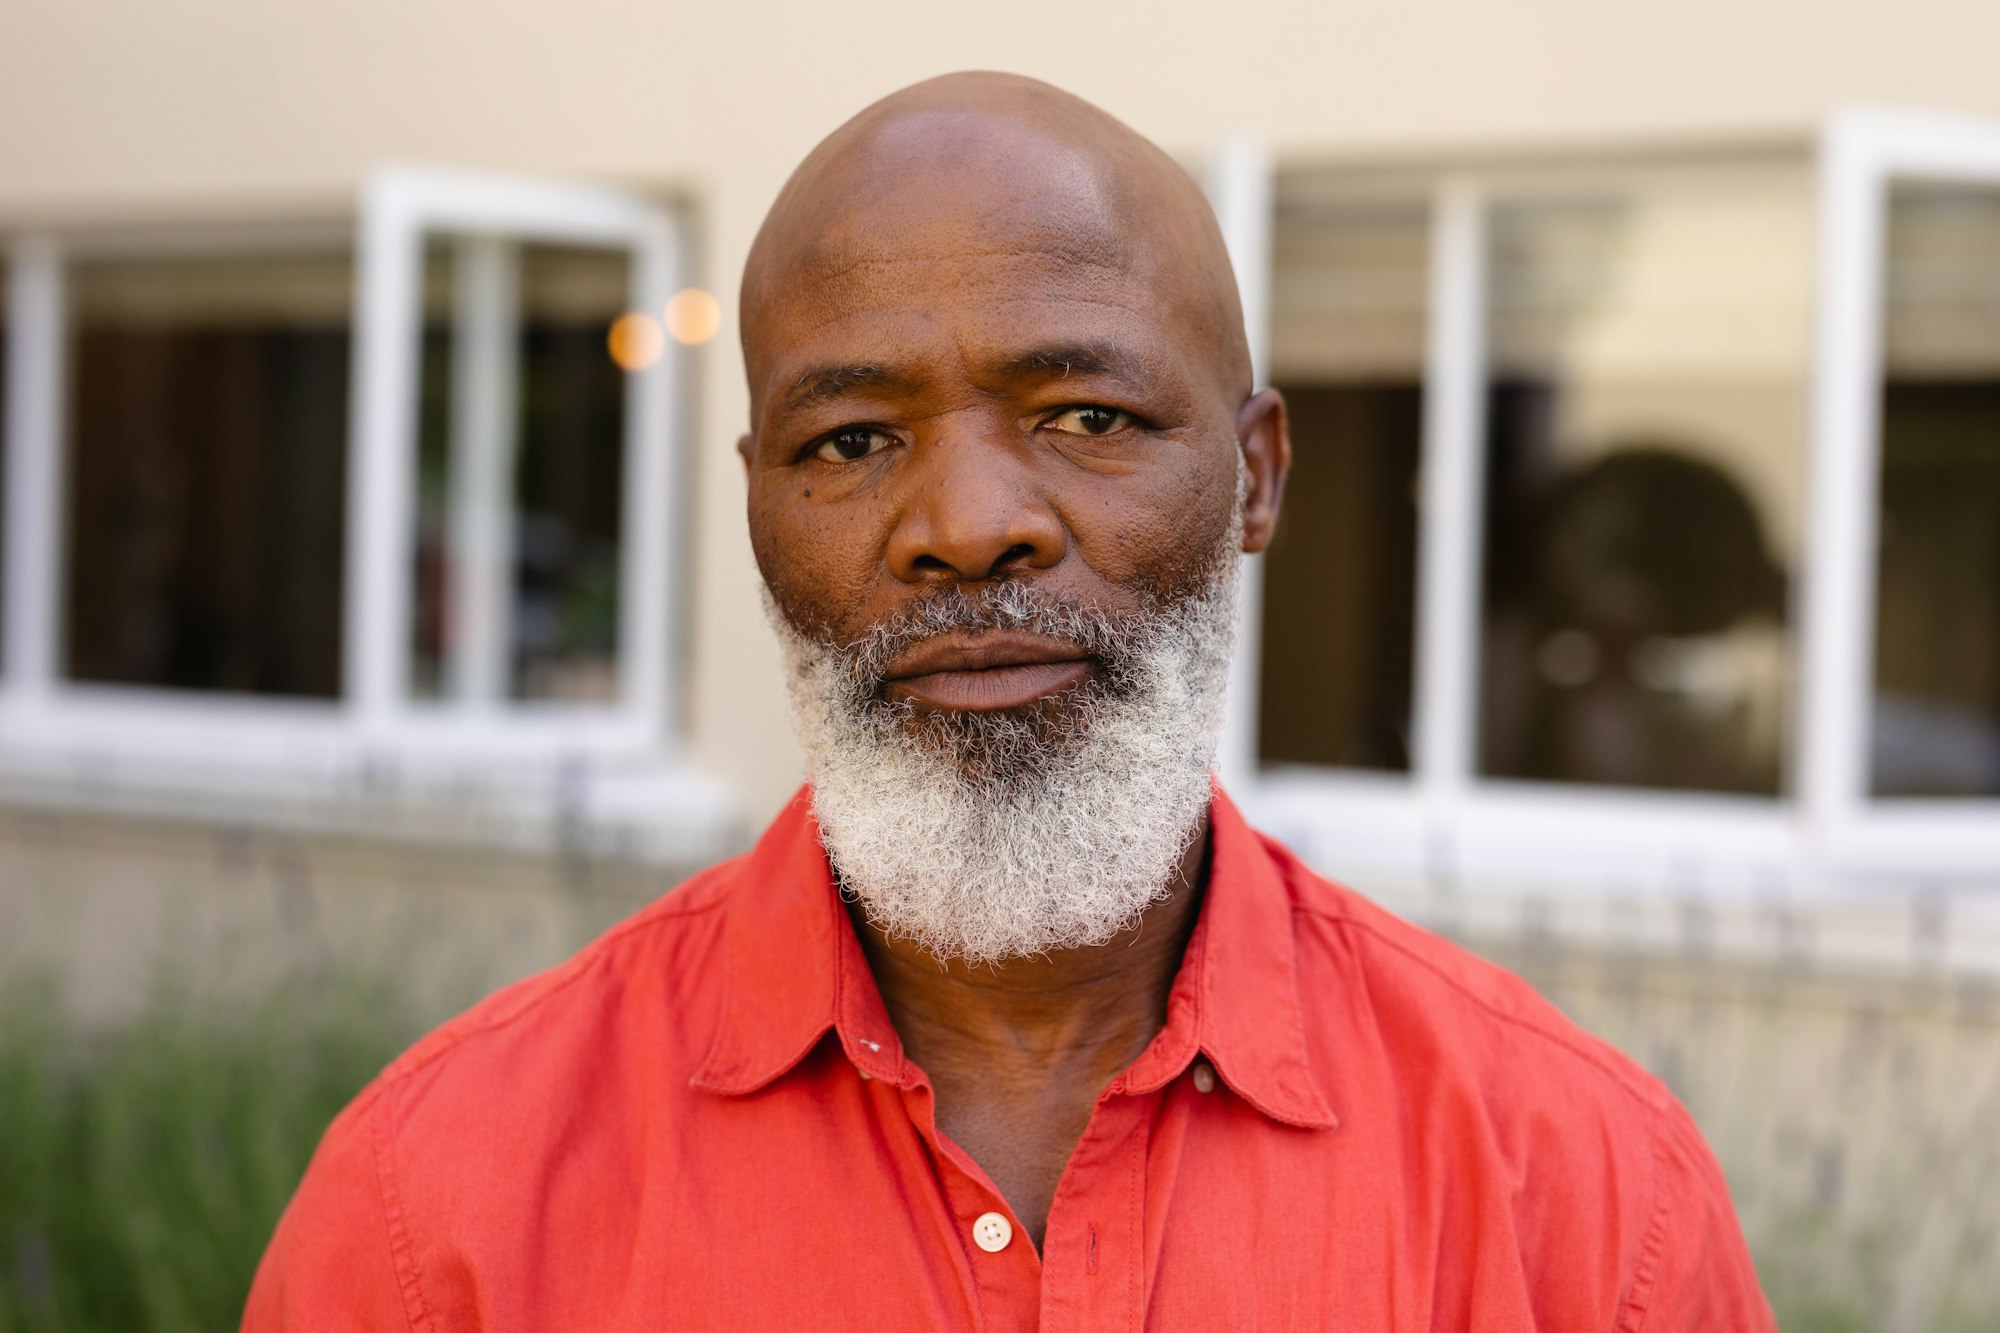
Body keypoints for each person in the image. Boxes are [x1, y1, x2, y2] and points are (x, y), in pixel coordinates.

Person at [245, 72, 1774, 1330]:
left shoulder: (1583, 1205)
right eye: (848, 440)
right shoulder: (430, 1214)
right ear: (758, 505)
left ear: (1255, 477)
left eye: (1086, 414)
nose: (966, 522)